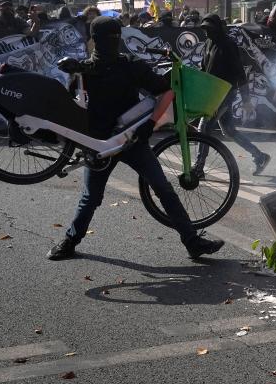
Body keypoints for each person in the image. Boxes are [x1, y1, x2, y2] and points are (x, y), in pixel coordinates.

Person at [47, 17, 224, 261]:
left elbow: (165, 92)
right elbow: (166, 93)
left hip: (125, 141)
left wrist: (149, 125)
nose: (112, 42)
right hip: (107, 144)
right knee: (99, 197)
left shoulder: (117, 66)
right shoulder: (92, 69)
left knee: (158, 190)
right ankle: (69, 241)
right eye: (109, 38)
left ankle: (192, 241)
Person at [194, 14, 271, 172]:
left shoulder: (228, 45)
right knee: (228, 130)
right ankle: (260, 156)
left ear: (217, 28)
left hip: (225, 93)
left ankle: (198, 168)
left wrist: (246, 100)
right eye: (204, 29)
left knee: (204, 126)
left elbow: (240, 74)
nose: (206, 32)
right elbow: (204, 69)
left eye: (209, 29)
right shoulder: (208, 43)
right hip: (212, 93)